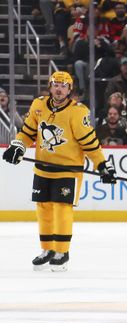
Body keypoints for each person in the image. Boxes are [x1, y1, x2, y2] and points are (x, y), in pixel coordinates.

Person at [2, 71, 116, 271]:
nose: (59, 88)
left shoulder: (78, 112)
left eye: (64, 85)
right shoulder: (38, 105)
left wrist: (102, 165)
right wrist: (18, 146)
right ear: (50, 86)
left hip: (67, 170)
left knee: (62, 208)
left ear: (70, 89)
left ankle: (62, 252)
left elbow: (89, 143)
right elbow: (28, 132)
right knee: (43, 209)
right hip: (42, 168)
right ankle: (47, 250)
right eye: (55, 84)